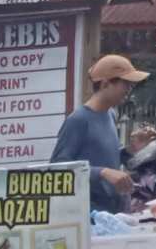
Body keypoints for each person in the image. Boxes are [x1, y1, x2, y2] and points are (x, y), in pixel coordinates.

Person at [51, 54, 149, 214]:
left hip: (111, 212)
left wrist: (130, 150)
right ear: (105, 84)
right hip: (88, 215)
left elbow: (104, 158)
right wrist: (101, 172)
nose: (129, 90)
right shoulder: (78, 120)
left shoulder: (110, 114)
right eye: (125, 84)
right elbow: (57, 169)